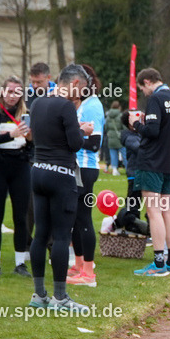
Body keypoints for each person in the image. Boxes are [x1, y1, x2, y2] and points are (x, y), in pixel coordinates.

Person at [26, 64, 93, 310]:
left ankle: (39, 294)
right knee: (62, 236)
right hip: (61, 173)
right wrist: (82, 130)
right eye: (82, 89)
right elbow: (75, 144)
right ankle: (60, 297)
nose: (82, 95)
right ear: (74, 84)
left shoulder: (38, 103)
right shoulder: (65, 105)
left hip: (38, 170)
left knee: (41, 234)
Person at [132, 67, 170, 276]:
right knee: (167, 210)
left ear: (146, 82)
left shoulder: (156, 98)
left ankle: (158, 263)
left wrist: (136, 124)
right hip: (168, 161)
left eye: (142, 89)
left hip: (151, 161)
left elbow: (152, 131)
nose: (144, 94)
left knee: (153, 212)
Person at [0, 76, 32, 277]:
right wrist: (12, 134)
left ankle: (20, 263)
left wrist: (29, 138)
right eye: (9, 91)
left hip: (20, 166)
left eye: (17, 92)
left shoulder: (26, 113)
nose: (12, 96)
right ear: (3, 92)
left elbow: (31, 145)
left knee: (21, 217)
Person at [67, 63, 104, 287]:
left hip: (86, 168)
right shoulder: (84, 103)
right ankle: (79, 265)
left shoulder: (92, 106)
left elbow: (95, 143)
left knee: (83, 218)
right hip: (78, 166)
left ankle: (89, 272)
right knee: (75, 218)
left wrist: (73, 137)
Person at [105, 100, 124, 175]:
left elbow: (106, 126)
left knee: (113, 154)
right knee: (124, 153)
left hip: (111, 137)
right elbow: (123, 127)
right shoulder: (120, 115)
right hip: (119, 137)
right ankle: (128, 168)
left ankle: (114, 170)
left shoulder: (108, 115)